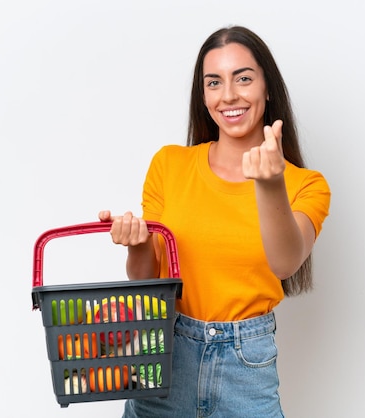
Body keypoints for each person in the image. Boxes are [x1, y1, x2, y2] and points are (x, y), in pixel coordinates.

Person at [99, 25, 330, 418]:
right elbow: (145, 285)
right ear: (203, 96)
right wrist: (138, 243)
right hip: (166, 356)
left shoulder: (306, 185)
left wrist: (270, 183)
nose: (229, 96)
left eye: (243, 78)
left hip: (246, 370)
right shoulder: (170, 165)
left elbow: (286, 262)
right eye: (213, 83)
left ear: (267, 87)